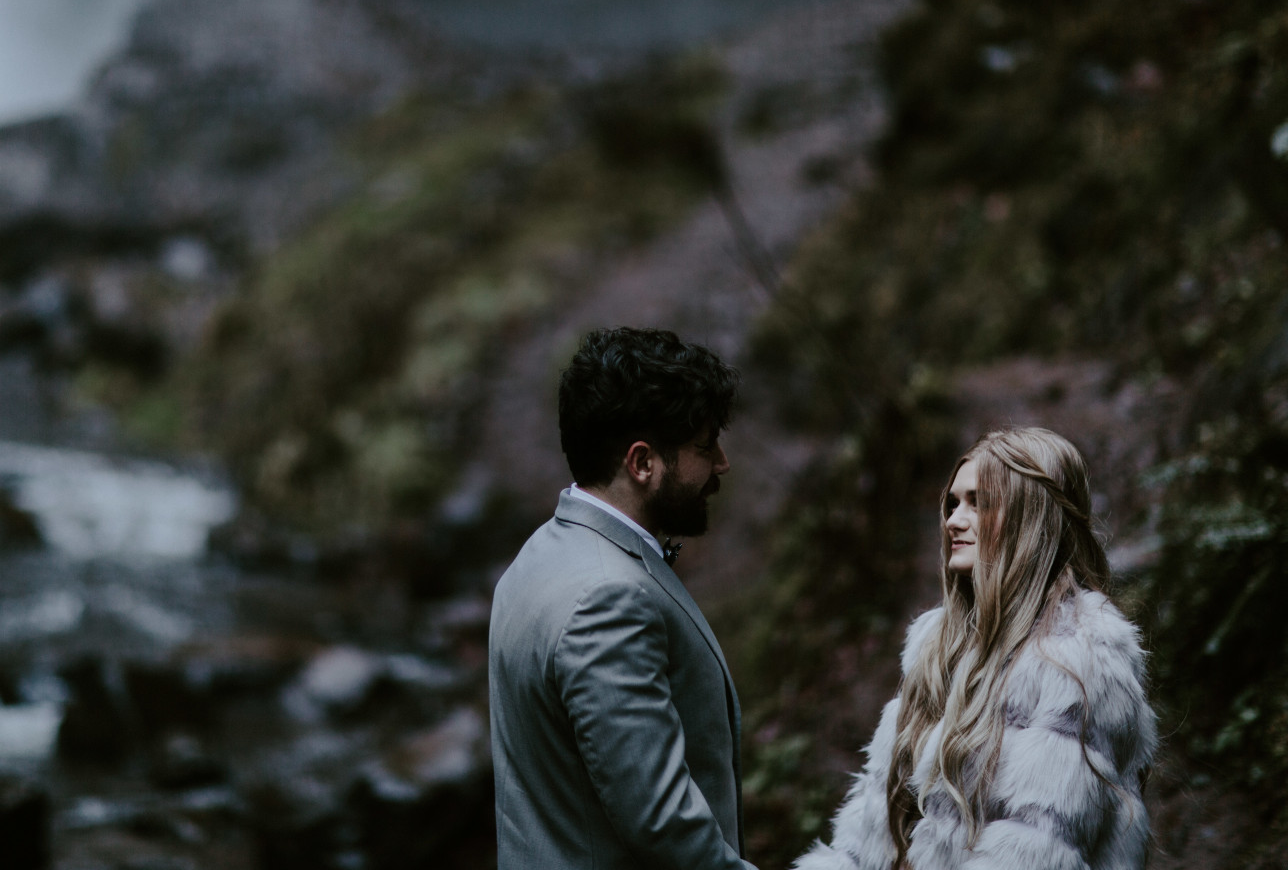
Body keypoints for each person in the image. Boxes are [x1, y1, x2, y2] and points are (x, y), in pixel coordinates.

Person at [794, 427, 1156, 870]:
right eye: (953, 503)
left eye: (978, 503)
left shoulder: (1084, 655)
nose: (952, 521)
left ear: (1031, 516)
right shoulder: (938, 645)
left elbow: (1037, 850)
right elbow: (870, 825)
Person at [489, 327, 758, 870]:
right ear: (642, 463)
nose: (722, 464)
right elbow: (661, 820)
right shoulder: (608, 598)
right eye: (705, 447)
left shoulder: (536, 557)